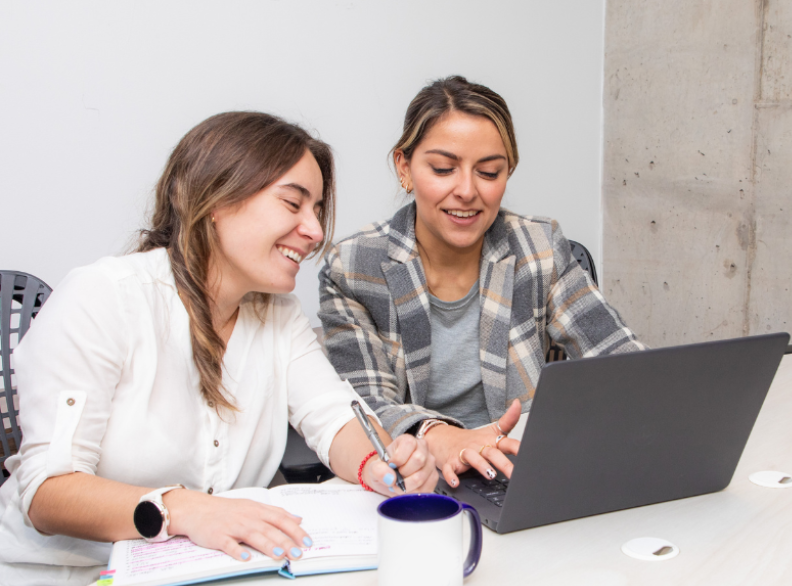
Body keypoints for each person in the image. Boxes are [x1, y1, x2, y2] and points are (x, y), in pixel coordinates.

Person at [0, 112, 437, 586]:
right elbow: (48, 493)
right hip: (62, 574)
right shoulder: (104, 297)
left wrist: (380, 463)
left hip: (195, 573)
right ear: (216, 201)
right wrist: (185, 509)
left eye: (316, 209)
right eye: (293, 203)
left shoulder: (279, 316)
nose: (314, 232)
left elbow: (335, 422)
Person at [318, 76, 646, 491]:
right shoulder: (353, 267)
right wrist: (440, 436)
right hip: (420, 480)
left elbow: (618, 358)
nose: (468, 191)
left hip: (525, 469)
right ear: (404, 167)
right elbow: (363, 405)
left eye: (489, 172)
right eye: (443, 169)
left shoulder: (538, 245)